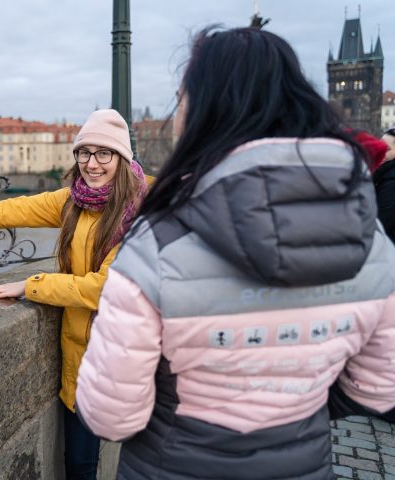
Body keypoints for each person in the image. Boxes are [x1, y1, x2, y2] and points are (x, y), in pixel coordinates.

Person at [75, 27, 395, 479]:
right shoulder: (372, 237)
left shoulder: (156, 240)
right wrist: (295, 408)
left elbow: (111, 416)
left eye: (181, 97)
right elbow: (380, 388)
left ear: (203, 109)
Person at [0, 109, 150, 479]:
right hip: (81, 364)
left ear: (122, 158)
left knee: (136, 463)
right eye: (85, 152)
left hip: (126, 357)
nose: (92, 164)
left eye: (104, 154)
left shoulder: (139, 213)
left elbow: (104, 288)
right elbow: (1, 212)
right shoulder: (71, 202)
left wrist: (30, 285)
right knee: (80, 465)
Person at [374, 128, 395, 242]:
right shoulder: (384, 174)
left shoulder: (391, 182)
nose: (380, 152)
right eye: (379, 147)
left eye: (387, 149)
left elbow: (381, 224)